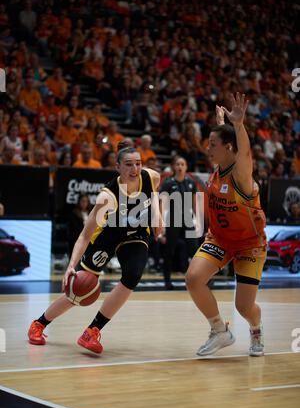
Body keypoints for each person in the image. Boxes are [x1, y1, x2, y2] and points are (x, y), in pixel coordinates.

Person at [28, 146, 163, 353]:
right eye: (128, 164)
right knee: (79, 290)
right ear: (117, 167)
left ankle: (92, 331)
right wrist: (71, 266)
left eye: (138, 163)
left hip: (135, 234)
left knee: (133, 275)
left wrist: (157, 214)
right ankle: (39, 323)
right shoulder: (107, 197)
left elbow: (154, 193)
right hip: (108, 236)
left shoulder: (151, 176)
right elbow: (84, 235)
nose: (135, 168)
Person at [186, 93, 267, 357]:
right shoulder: (219, 167)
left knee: (244, 307)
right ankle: (219, 330)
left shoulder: (241, 174)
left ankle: (255, 329)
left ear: (229, 147)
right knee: (193, 278)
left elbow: (243, 152)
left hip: (249, 244)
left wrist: (239, 126)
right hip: (220, 239)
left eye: (212, 144)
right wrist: (222, 122)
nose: (207, 149)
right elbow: (228, 143)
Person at [159, 155, 199, 289]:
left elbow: (194, 204)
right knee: (169, 251)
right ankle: (167, 280)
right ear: (173, 167)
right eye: (178, 164)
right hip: (173, 218)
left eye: (183, 164)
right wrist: (162, 224)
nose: (180, 167)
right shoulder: (168, 183)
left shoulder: (191, 182)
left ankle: (199, 279)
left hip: (188, 219)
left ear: (186, 167)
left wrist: (198, 221)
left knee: (194, 251)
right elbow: (162, 205)